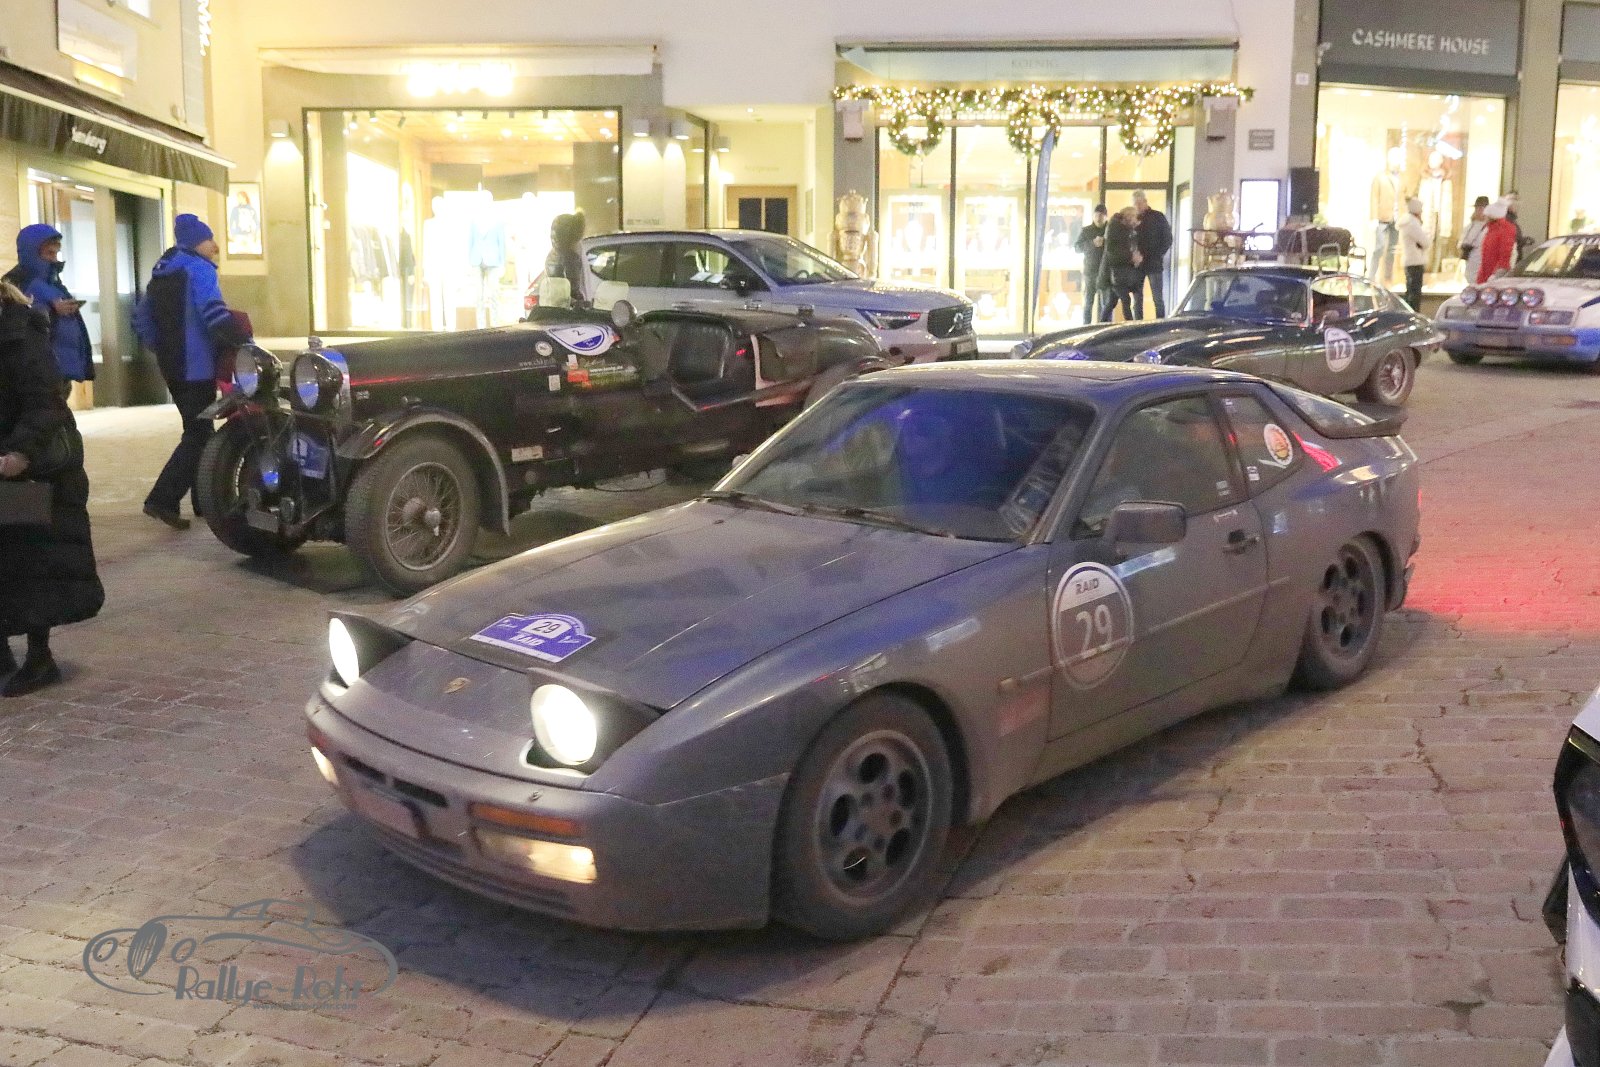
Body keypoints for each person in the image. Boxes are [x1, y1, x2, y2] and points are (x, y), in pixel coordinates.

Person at [0, 279, 104, 696]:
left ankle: (40, 658)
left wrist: (19, 452)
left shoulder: (20, 332)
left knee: (32, 559)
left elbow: (46, 401)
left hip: (30, 467)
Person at [133, 214, 248, 530]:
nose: (215, 246)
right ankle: (162, 499)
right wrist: (244, 342)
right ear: (198, 241)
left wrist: (159, 346)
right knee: (198, 434)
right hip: (197, 365)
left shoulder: (163, 271)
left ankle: (204, 502)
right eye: (211, 239)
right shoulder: (199, 269)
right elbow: (214, 313)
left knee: (199, 429)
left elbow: (140, 317)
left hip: (172, 365)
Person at [3, 225, 93, 402]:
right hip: (37, 367)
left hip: (58, 363)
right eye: (49, 253)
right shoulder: (14, 284)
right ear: (32, 253)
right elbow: (15, 321)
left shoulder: (53, 283)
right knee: (47, 410)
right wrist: (52, 310)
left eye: (56, 253)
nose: (54, 259)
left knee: (56, 409)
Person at [1132, 191, 1173, 318]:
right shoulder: (1132, 219)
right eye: (1135, 204)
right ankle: (1137, 326)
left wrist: (1158, 254)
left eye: (1139, 203)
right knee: (1137, 301)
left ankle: (1160, 325)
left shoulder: (1158, 217)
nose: (1137, 206)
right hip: (1137, 265)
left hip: (1154, 263)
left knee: (1158, 299)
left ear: (1145, 202)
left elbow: (1167, 238)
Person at [1099, 208, 1141, 322]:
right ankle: (1130, 325)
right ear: (1127, 216)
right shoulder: (1117, 229)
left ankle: (1101, 323)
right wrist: (1131, 257)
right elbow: (1114, 251)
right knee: (1125, 300)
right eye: (1133, 216)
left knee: (1111, 302)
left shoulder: (1125, 229)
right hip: (1117, 272)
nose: (1134, 219)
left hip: (1121, 272)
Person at [544, 211, 589, 306]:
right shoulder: (570, 258)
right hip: (568, 309)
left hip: (554, 306)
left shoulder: (551, 255)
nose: (552, 238)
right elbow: (574, 290)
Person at [1074, 205, 1108, 324]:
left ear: (1105, 217)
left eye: (1101, 216)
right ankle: (1086, 326)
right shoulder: (1086, 231)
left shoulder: (1110, 230)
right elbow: (1077, 247)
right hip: (1090, 271)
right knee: (1088, 302)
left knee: (1106, 303)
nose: (1098, 218)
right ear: (1093, 216)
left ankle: (1105, 327)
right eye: (1096, 215)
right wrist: (1092, 243)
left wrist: (1105, 243)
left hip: (1106, 271)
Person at [1398, 197, 1430, 311]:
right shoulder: (1412, 224)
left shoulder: (1407, 223)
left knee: (1411, 292)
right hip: (1415, 261)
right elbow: (1425, 242)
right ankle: (1413, 315)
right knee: (1414, 294)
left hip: (1410, 261)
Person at [1476, 200, 1518, 284]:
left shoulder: (1505, 230)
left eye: (1486, 215)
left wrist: (1497, 274)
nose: (1484, 217)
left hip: (1495, 275)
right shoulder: (1490, 230)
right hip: (1488, 273)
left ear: (1492, 216)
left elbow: (1505, 254)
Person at [1459, 196, 1490, 286]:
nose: (1479, 211)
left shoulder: (1490, 228)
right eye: (1477, 208)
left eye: (1482, 208)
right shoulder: (1469, 227)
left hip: (1483, 262)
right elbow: (1462, 241)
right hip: (1471, 262)